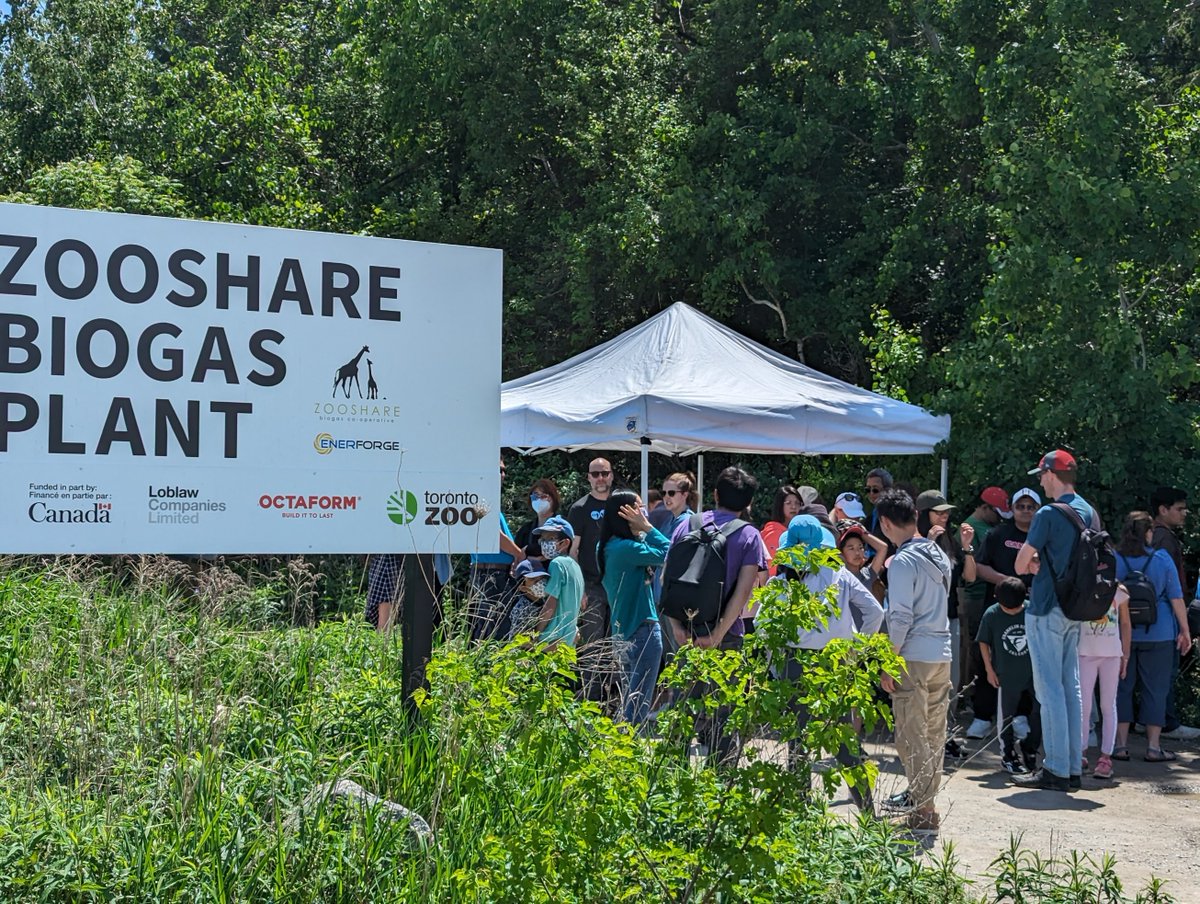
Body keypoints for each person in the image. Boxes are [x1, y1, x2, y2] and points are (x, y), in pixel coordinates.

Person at [772, 514, 884, 812]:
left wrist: (773, 669)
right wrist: (856, 648)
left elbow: (762, 624)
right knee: (844, 741)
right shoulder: (840, 574)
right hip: (835, 662)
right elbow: (875, 613)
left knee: (798, 741)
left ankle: (800, 811)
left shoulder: (781, 582)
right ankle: (869, 815)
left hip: (793, 664)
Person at [670, 466, 768, 765]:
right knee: (724, 717)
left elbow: (668, 578)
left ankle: (668, 787)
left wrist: (677, 626)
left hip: (686, 631)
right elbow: (744, 592)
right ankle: (719, 789)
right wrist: (719, 634)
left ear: (714, 494)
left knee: (681, 715)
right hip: (726, 638)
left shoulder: (687, 525)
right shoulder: (750, 535)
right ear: (748, 503)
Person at [1013, 449, 1092, 791]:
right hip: (1077, 608)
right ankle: (1072, 766)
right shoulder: (1089, 511)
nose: (1040, 481)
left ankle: (1056, 768)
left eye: (1042, 475)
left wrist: (1031, 563)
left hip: (1046, 606)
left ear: (1051, 474)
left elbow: (1019, 564)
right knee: (1070, 688)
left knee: (1050, 690)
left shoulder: (1047, 513)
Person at [875, 489, 953, 834]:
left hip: (914, 655)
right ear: (917, 517)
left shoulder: (903, 561)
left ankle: (923, 812)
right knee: (934, 734)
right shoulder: (936, 552)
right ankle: (928, 804)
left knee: (910, 735)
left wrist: (888, 661)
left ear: (885, 523)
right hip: (942, 653)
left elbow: (901, 616)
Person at [1112, 511, 1192, 764]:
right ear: (1148, 533)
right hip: (1159, 632)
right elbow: (1175, 597)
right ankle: (1154, 747)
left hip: (1121, 634)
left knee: (1121, 689)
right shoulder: (1161, 558)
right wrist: (1185, 629)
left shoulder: (1115, 559)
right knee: (1155, 690)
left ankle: (1121, 746)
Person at [972, 487, 1040, 739]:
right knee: (986, 659)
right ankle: (982, 716)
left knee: (1024, 661)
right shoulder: (997, 534)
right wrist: (1007, 582)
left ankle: (1020, 715)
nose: (1024, 511)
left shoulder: (1043, 536)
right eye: (1020, 506)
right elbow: (979, 566)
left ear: (1037, 510)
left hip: (1030, 611)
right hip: (996, 609)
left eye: (1030, 507)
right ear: (1011, 509)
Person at [598, 491, 668, 726]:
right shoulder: (626, 549)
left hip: (624, 631)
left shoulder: (609, 545)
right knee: (637, 706)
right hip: (642, 630)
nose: (644, 513)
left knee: (631, 698)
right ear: (626, 514)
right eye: (639, 508)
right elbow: (670, 553)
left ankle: (620, 750)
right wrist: (648, 528)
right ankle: (627, 753)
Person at [915, 491, 976, 707]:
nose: (944, 516)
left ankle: (946, 729)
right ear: (924, 514)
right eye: (939, 512)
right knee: (923, 676)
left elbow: (970, 576)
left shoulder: (950, 540)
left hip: (949, 617)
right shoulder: (914, 541)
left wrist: (967, 547)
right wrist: (929, 541)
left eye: (947, 512)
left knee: (951, 675)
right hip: (922, 620)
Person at [1148, 487, 1199, 741]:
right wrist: (1182, 623)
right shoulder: (1164, 539)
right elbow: (1169, 585)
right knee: (1164, 672)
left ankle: (1151, 720)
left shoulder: (1155, 536)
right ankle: (1166, 723)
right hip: (1165, 615)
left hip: (1155, 616)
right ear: (1163, 510)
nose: (1184, 513)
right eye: (1179, 509)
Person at [977, 577, 1041, 775]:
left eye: (1016, 608)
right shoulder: (992, 613)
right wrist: (989, 669)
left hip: (1033, 673)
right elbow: (983, 642)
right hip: (1006, 673)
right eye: (1008, 609)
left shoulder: (1032, 610)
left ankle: (1030, 748)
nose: (1013, 611)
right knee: (1006, 716)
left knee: (1040, 712)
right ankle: (1008, 755)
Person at [568, 458, 615, 700]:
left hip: (618, 585)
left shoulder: (620, 504)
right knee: (592, 643)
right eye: (595, 474)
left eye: (604, 473)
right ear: (588, 477)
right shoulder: (580, 509)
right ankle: (590, 698)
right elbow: (573, 551)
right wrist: (581, 589)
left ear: (611, 476)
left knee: (617, 643)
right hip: (592, 586)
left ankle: (615, 699)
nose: (600, 478)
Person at [1079, 576, 1131, 780]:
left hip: (1111, 654)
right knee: (1083, 705)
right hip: (1084, 652)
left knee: (1108, 706)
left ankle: (1105, 758)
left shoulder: (1120, 591)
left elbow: (1125, 623)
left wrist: (1125, 655)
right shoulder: (1082, 585)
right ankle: (1080, 752)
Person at [960, 488, 1011, 692]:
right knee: (975, 646)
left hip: (986, 595)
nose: (999, 519)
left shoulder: (986, 527)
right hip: (973, 596)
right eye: (997, 513)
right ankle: (970, 692)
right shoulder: (970, 528)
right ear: (984, 507)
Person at [469, 458, 525, 641]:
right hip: (491, 575)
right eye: (497, 470)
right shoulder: (482, 497)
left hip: (492, 574)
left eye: (503, 470)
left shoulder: (487, 498)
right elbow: (494, 535)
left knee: (489, 628)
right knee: (494, 632)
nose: (502, 474)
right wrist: (519, 554)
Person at [531, 515, 584, 649]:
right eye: (542, 539)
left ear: (565, 543)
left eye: (550, 539)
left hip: (551, 638)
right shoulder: (575, 567)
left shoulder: (556, 564)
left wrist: (536, 634)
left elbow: (550, 605)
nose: (544, 543)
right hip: (568, 640)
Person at [836, 521, 887, 603]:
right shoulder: (836, 579)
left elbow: (883, 548)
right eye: (851, 548)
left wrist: (861, 532)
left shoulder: (867, 575)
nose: (857, 553)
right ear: (841, 552)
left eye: (860, 547)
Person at [761, 485, 803, 577]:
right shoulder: (773, 533)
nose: (793, 507)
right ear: (780, 506)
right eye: (788, 503)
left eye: (797, 503)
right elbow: (771, 569)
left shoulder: (798, 532)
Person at [514, 478, 561, 551]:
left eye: (544, 496)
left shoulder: (561, 525)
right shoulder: (525, 530)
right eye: (535, 496)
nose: (539, 499)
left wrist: (527, 549)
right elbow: (518, 554)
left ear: (553, 498)